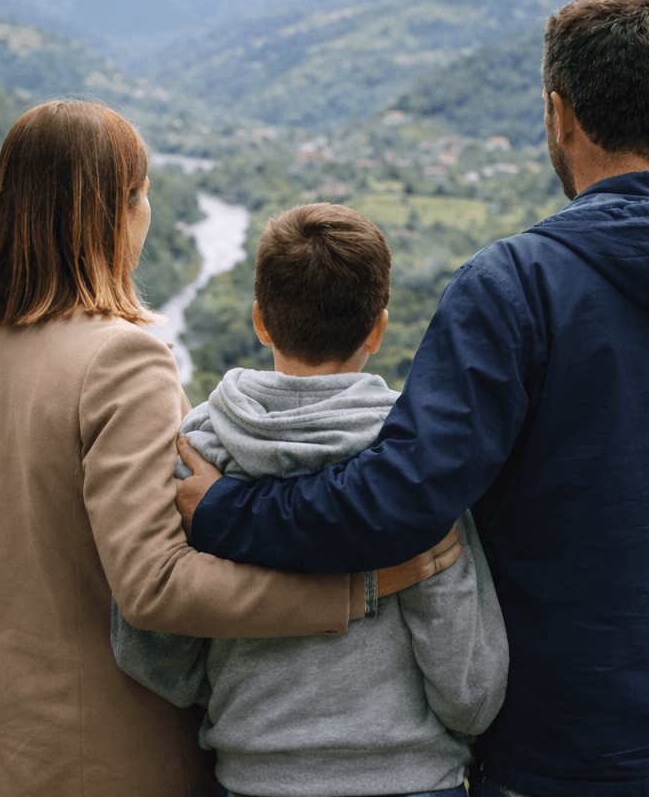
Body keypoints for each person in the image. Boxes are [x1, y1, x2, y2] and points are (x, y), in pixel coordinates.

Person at [175, 0, 649, 797]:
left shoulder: (517, 288)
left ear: (558, 114)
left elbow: (403, 500)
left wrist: (226, 513)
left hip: (555, 752)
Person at [0, 100, 462, 797]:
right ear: (113, 212)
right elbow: (155, 585)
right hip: (101, 756)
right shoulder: (120, 358)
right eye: (142, 193)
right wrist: (351, 591)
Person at [112, 203, 509, 797]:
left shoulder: (199, 453)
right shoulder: (415, 461)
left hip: (253, 777)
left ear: (260, 321)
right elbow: (470, 693)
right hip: (412, 780)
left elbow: (156, 655)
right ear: (378, 327)